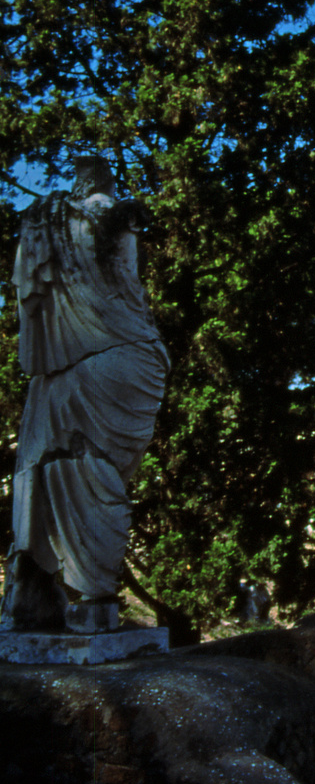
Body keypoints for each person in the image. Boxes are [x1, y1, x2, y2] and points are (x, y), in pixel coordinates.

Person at [3, 157, 169, 632]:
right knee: (85, 466)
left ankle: (40, 595)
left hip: (71, 361)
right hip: (123, 354)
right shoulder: (116, 216)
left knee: (51, 464)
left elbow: (36, 295)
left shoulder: (48, 219)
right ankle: (87, 595)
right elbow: (127, 285)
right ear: (108, 181)